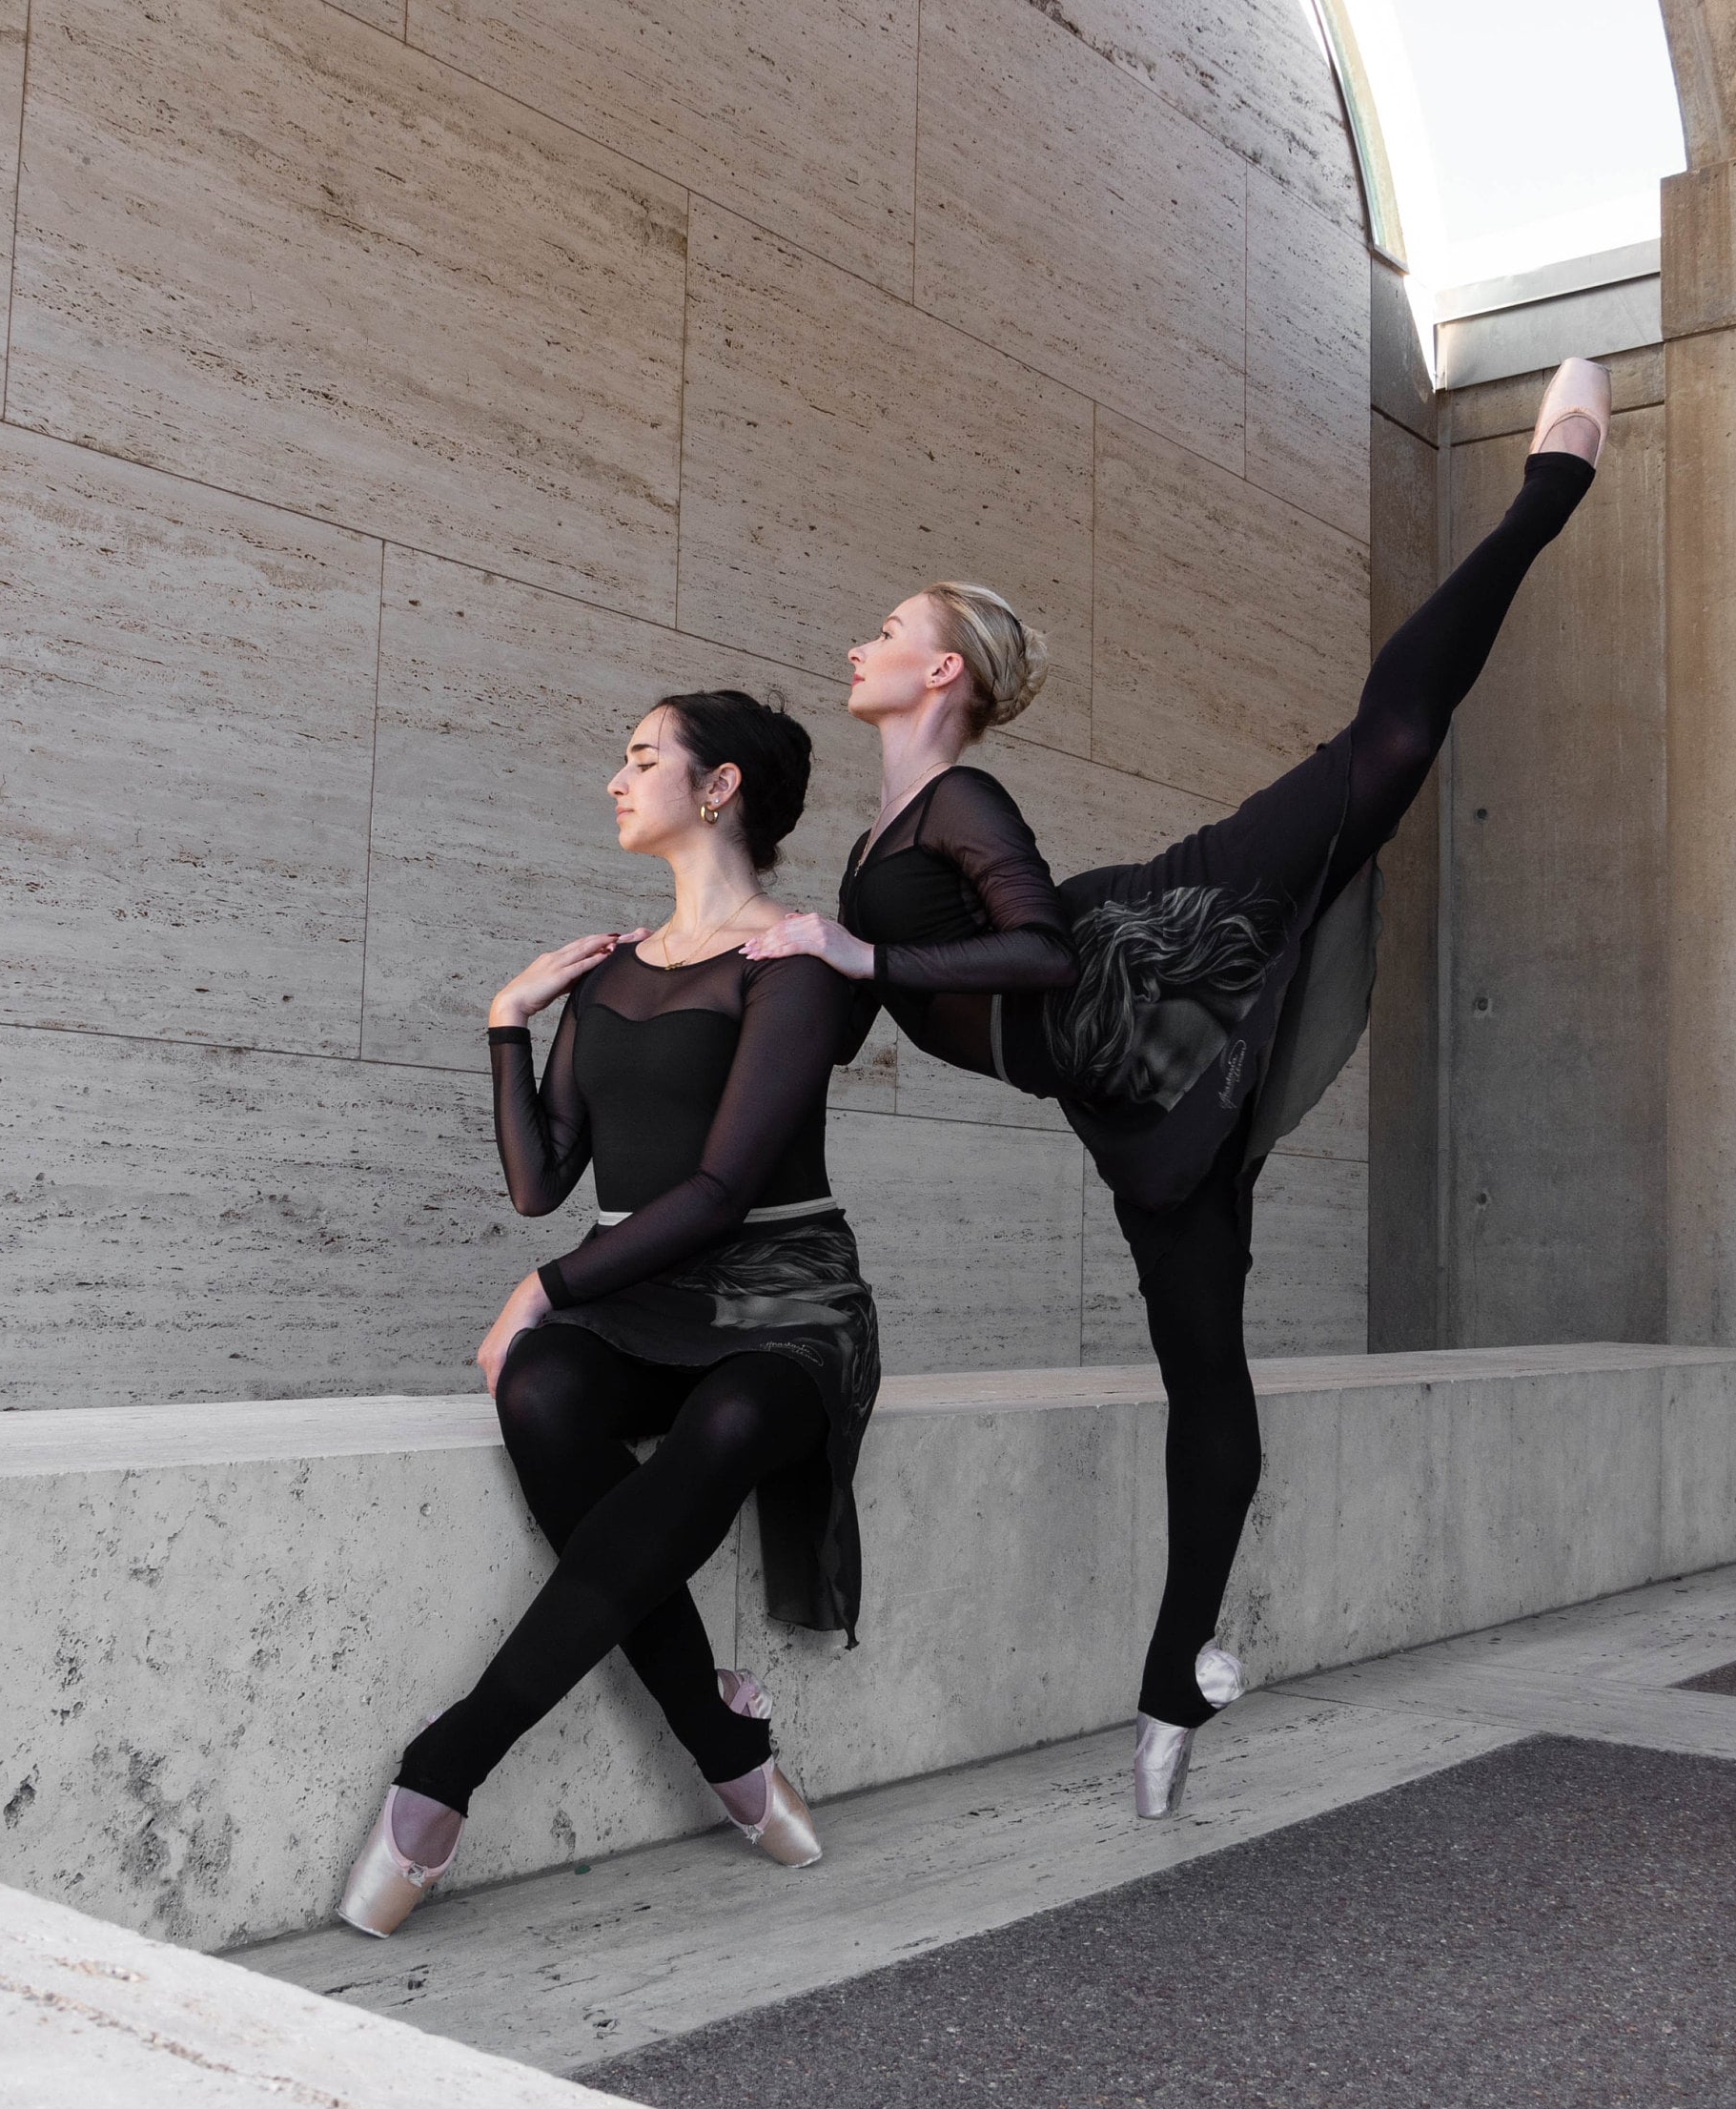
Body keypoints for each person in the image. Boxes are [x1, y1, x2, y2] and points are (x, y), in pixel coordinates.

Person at [741, 358, 1611, 1818]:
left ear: (940, 668)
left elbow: (1027, 942)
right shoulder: (883, 834)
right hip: (1138, 1104)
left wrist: (850, 949)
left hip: (1158, 939)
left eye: (889, 628)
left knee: (1387, 744)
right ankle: (1173, 1686)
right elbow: (872, 1016)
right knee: (1203, 1361)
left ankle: (1550, 487)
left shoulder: (956, 802)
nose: (862, 641)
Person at [337, 691, 877, 1938]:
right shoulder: (610, 977)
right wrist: (505, 1021)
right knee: (537, 1386)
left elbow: (721, 1189)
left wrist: (544, 1286)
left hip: (786, 1306)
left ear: (720, 785)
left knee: (733, 1418)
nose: (615, 779)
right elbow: (545, 1183)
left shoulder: (792, 961)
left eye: (642, 758)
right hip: (643, 1303)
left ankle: (446, 1766)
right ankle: (721, 1735)